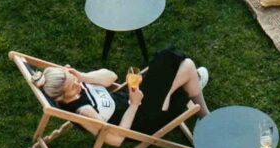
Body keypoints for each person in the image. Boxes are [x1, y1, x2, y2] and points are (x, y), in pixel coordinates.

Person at [41, 48, 211, 140]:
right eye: (72, 87)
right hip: (143, 118)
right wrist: (135, 104)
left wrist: (82, 76)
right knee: (187, 65)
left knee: (167, 56)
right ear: (61, 97)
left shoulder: (78, 84)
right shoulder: (84, 111)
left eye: (74, 79)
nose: (78, 85)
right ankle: (202, 110)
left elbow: (111, 77)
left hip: (133, 97)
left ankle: (184, 85)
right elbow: (116, 139)